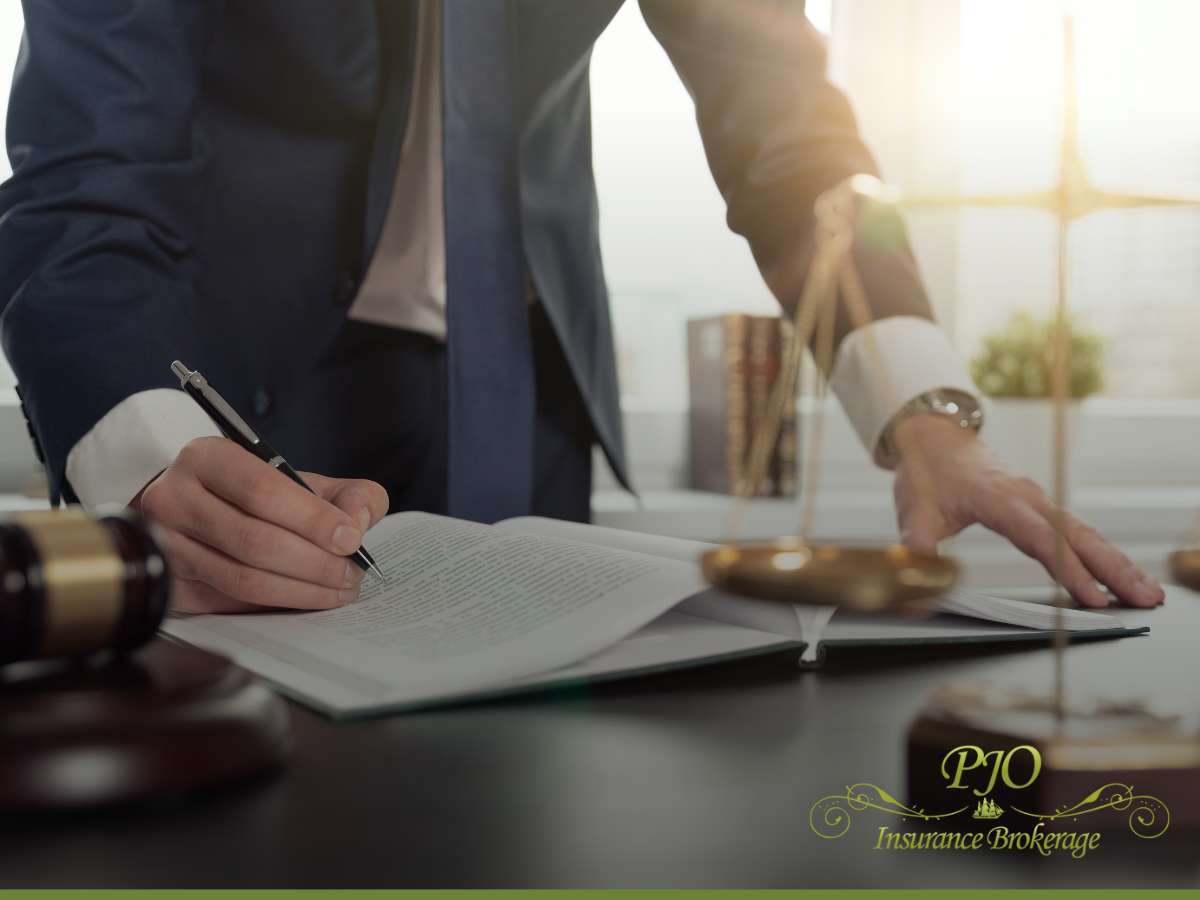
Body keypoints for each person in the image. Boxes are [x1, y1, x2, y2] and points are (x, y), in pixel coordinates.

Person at [0, 1, 1163, 614]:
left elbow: (795, 141)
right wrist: (145, 450)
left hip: (528, 391)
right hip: (224, 417)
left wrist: (929, 413)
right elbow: (82, 176)